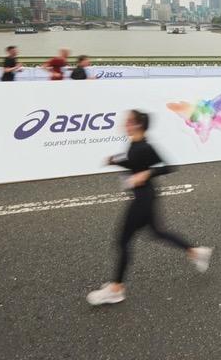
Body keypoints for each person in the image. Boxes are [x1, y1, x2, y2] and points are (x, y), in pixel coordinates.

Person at [86, 110, 212, 306]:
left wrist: (146, 174)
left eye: (128, 121)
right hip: (146, 197)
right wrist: (116, 161)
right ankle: (196, 252)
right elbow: (135, 163)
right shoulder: (135, 144)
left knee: (123, 241)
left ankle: (117, 289)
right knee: (157, 232)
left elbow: (169, 166)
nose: (125, 123)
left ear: (137, 125)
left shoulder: (144, 146)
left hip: (143, 200)